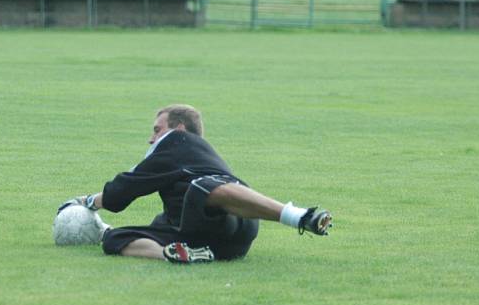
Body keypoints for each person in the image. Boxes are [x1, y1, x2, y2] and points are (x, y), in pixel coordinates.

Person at [60, 104, 332, 264]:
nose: (151, 138)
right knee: (117, 239)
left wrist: (86, 202)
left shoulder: (178, 143)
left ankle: (298, 216)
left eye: (156, 129)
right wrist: (101, 227)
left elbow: (123, 191)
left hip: (232, 219)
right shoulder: (181, 156)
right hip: (224, 246)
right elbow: (133, 181)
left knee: (201, 187)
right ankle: (174, 255)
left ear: (177, 130)